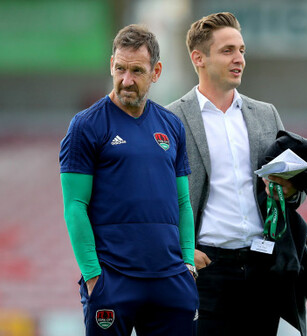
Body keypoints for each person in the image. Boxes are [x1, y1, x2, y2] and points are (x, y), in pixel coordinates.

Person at [166, 12, 307, 336]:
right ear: (198, 58)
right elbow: (156, 197)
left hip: (262, 265)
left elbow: (290, 189)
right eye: (228, 50)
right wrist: (182, 251)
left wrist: (288, 191)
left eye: (242, 50)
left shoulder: (265, 114)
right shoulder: (171, 118)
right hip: (206, 268)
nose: (239, 59)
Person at [59, 24, 198, 336]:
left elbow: (183, 203)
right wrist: (94, 277)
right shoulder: (85, 126)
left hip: (170, 280)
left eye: (136, 71)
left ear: (156, 71)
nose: (126, 80)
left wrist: (187, 264)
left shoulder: (171, 126)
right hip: (113, 281)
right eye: (120, 69)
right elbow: (74, 207)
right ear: (111, 65)